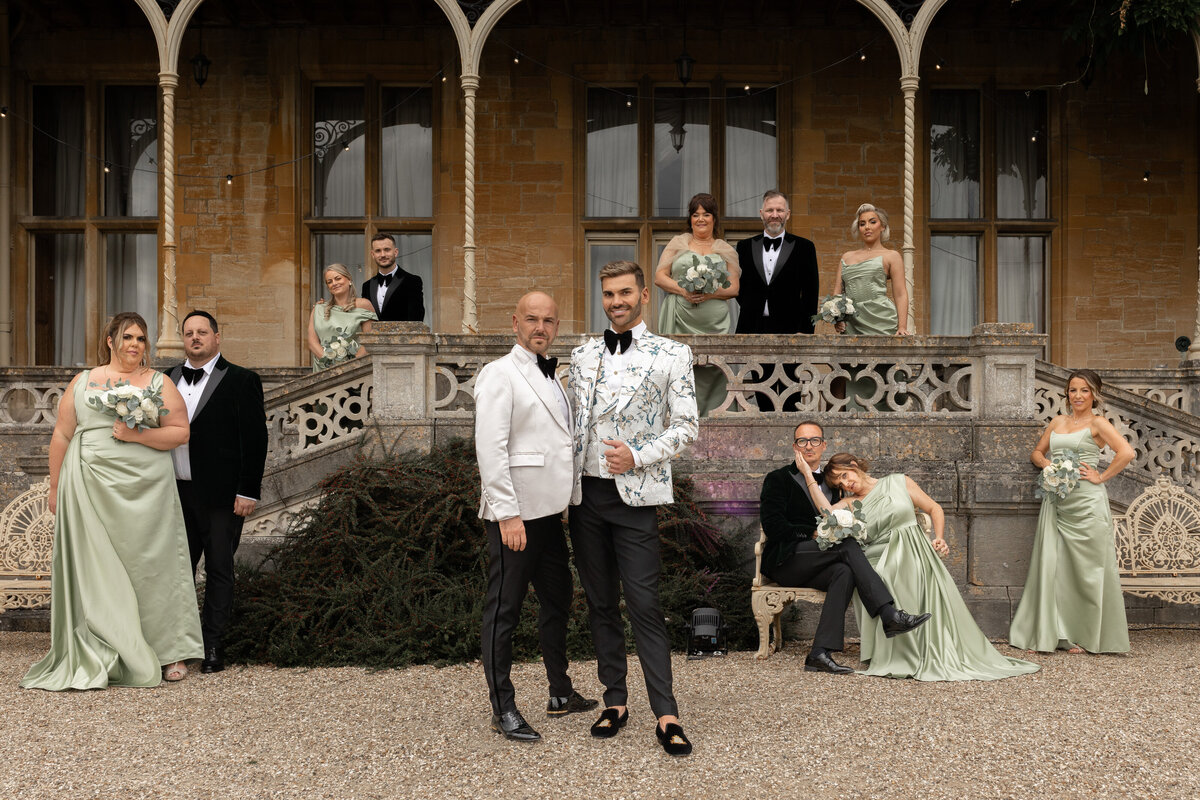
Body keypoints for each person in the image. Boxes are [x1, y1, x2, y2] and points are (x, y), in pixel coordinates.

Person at [22, 312, 203, 689]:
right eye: (127, 337)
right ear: (110, 340)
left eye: (141, 338)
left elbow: (180, 432)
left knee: (154, 564)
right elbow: (61, 435)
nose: (135, 345)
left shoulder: (157, 382)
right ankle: (105, 649)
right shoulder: (83, 381)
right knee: (99, 569)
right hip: (90, 485)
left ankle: (170, 652)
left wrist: (136, 436)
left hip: (147, 488)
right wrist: (55, 487)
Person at [567, 260, 699, 757]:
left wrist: (638, 455)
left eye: (625, 292)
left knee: (644, 604)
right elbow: (572, 425)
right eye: (608, 294)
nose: (616, 302)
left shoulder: (673, 354)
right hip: (586, 497)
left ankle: (666, 713)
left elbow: (687, 426)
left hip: (636, 496)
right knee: (600, 602)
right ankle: (615, 701)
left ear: (644, 294)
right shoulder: (580, 356)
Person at [799, 452, 1040, 681]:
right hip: (877, 555)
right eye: (839, 484)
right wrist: (809, 477)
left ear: (854, 465)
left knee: (912, 568)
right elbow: (828, 513)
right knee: (884, 573)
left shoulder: (899, 481)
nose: (846, 484)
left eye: (844, 475)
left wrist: (940, 537)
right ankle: (899, 639)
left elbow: (934, 508)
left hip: (914, 546)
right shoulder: (849, 504)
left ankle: (925, 642)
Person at [475, 291, 597, 742]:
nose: (540, 327)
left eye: (548, 319)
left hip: (550, 515)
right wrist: (507, 515)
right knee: (504, 610)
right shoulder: (498, 374)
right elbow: (491, 449)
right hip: (516, 517)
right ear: (515, 322)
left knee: (558, 601)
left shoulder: (553, 377)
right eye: (531, 319)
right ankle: (501, 707)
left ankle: (560, 692)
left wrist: (566, 499)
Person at [759, 421, 930, 674]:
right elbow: (773, 527)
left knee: (845, 571)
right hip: (788, 559)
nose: (809, 446)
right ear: (795, 447)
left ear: (823, 445)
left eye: (814, 440)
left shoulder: (837, 485)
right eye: (803, 441)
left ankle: (819, 653)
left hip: (819, 560)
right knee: (845, 544)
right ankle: (888, 614)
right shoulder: (777, 479)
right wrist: (811, 531)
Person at [168, 310, 269, 674]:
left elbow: (255, 439)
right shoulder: (166, 379)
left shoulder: (242, 380)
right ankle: (177, 645)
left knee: (220, 569)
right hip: (173, 494)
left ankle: (212, 644)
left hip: (223, 497)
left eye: (202, 332)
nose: (195, 338)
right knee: (175, 572)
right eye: (189, 333)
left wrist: (248, 491)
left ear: (216, 337)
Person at [1009, 369, 1132, 654]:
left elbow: (1126, 452)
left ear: (1095, 395)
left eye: (1084, 390)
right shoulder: (1058, 421)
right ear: (1067, 393)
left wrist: (1101, 477)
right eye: (1073, 390)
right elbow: (1037, 453)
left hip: (1087, 503)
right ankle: (1056, 633)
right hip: (1056, 499)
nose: (1078, 395)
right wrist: (1047, 466)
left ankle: (1084, 634)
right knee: (1054, 566)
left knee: (1087, 569)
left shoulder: (1099, 423)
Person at [654, 192, 740, 416]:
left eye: (706, 214)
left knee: (715, 371)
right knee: (680, 370)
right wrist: (684, 290)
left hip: (715, 323)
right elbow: (660, 276)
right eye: (695, 214)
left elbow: (733, 288)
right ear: (690, 219)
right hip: (680, 317)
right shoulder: (678, 243)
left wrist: (709, 294)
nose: (700, 219)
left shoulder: (725, 249)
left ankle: (716, 421)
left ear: (714, 219)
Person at [734, 190, 818, 335]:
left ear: (788, 214)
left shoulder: (805, 247)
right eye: (769, 210)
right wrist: (752, 305)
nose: (774, 215)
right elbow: (737, 288)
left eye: (779, 210)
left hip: (791, 329)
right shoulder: (744, 247)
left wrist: (805, 331)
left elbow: (811, 293)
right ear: (761, 213)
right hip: (749, 326)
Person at [832, 204, 907, 336]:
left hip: (882, 321)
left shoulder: (892, 256)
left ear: (882, 226)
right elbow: (837, 293)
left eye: (873, 222)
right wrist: (837, 318)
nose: (867, 227)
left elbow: (900, 294)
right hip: (852, 323)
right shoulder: (846, 257)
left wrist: (902, 326)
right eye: (862, 223)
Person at [307, 263, 378, 371]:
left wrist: (350, 367)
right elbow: (312, 342)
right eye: (329, 282)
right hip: (323, 370)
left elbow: (370, 341)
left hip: (355, 370)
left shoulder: (364, 305)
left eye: (338, 278)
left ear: (349, 280)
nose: (334, 283)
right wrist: (330, 363)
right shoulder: (318, 309)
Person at [362, 233, 425, 322]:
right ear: (373, 254)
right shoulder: (366, 286)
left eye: (387, 250)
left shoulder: (412, 281)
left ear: (395, 252)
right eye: (378, 251)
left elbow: (416, 319)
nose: (382, 254)